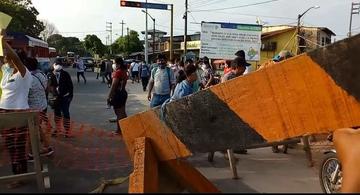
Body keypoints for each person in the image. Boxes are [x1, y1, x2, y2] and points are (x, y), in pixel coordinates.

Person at [0, 34, 32, 188]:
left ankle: (21, 177)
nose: (5, 58)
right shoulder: (7, 71)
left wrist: (3, 42)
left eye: (8, 57)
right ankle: (18, 175)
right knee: (9, 145)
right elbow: (3, 58)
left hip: (19, 114)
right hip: (4, 113)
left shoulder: (24, 73)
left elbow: (16, 59)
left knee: (17, 146)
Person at [25, 57, 54, 159]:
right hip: (42, 105)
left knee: (31, 130)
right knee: (36, 128)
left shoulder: (28, 78)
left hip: (34, 109)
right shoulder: (41, 74)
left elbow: (26, 93)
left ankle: (32, 152)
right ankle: (47, 147)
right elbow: (46, 87)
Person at [222, 56, 248, 155]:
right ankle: (227, 149)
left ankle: (237, 147)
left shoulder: (238, 76)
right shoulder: (229, 77)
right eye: (243, 67)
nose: (245, 69)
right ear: (237, 67)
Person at [48, 63, 74, 138]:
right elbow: (49, 86)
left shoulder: (65, 74)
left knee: (65, 113)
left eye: (59, 64)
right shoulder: (51, 75)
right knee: (57, 114)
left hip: (65, 97)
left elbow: (70, 86)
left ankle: (67, 131)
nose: (57, 65)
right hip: (56, 98)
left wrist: (70, 96)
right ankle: (57, 129)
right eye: (56, 64)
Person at [107, 57, 128, 135]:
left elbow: (114, 85)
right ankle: (126, 127)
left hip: (118, 94)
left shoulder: (117, 72)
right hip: (123, 93)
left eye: (114, 63)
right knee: (122, 112)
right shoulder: (124, 71)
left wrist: (109, 96)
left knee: (118, 113)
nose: (113, 65)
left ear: (118, 64)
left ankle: (119, 130)